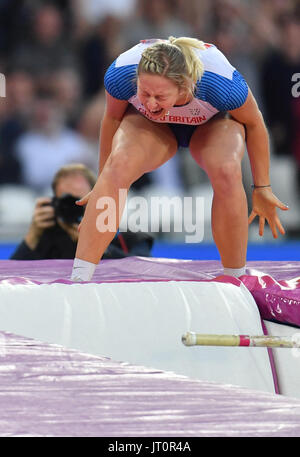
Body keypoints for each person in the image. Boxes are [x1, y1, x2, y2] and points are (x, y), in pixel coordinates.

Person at [71, 37, 289, 282]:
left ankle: (235, 280)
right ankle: (80, 279)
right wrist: (104, 182)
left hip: (211, 124)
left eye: (160, 96)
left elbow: (255, 123)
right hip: (152, 127)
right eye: (145, 92)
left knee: (227, 170)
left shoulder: (220, 83)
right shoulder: (121, 74)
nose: (151, 102)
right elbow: (111, 119)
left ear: (185, 88)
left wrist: (262, 187)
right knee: (118, 165)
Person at [11, 163, 153, 261]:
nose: (74, 206)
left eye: (80, 200)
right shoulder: (48, 239)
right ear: (55, 202)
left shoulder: (127, 238)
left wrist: (95, 246)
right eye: (67, 201)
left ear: (96, 199)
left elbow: (143, 272)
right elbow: (10, 283)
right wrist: (32, 237)